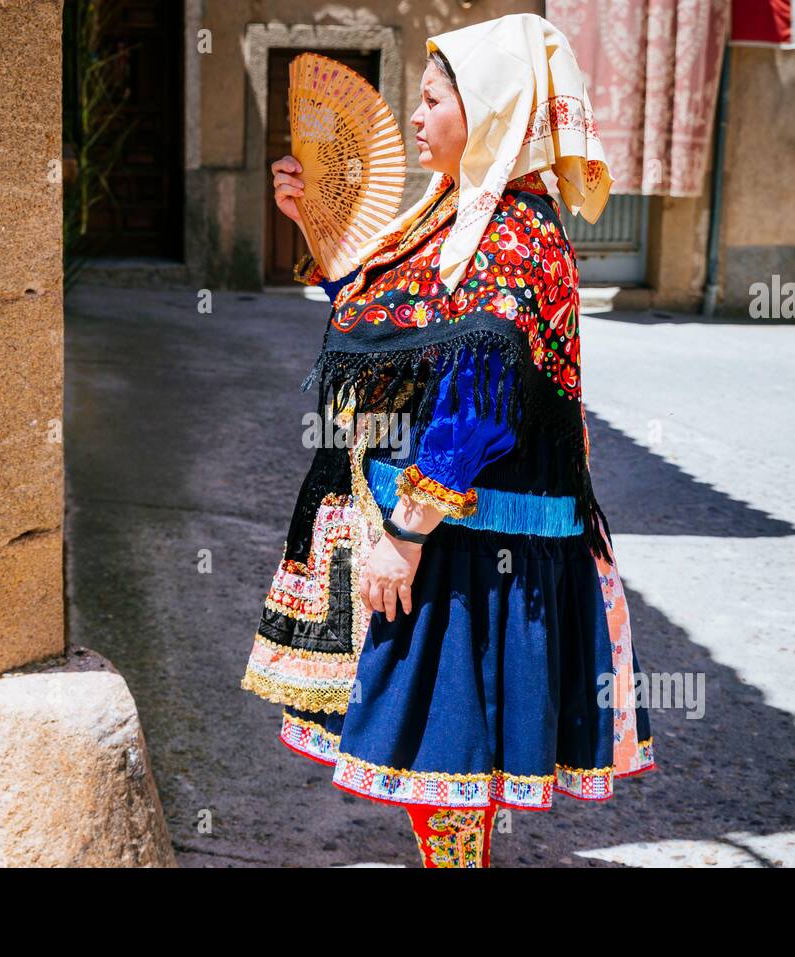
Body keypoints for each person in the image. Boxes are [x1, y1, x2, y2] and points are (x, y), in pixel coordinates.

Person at [241, 13, 657, 869]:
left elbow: (479, 406)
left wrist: (406, 533)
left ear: (493, 110)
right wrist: (316, 222)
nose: (418, 118)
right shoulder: (455, 219)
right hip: (447, 534)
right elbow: (389, 324)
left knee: (445, 760)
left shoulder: (514, 238)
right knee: (435, 771)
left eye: (433, 101)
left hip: (471, 544)